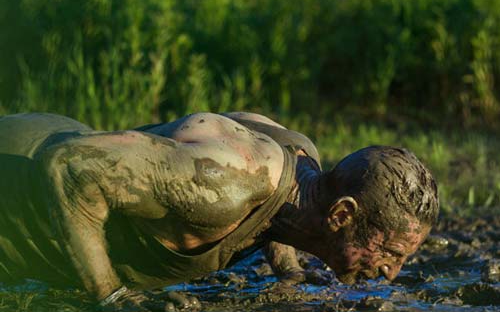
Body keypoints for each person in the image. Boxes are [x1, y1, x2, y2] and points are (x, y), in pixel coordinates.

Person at [0, 112, 438, 311]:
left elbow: (274, 211)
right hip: (13, 181)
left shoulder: (302, 160)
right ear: (341, 215)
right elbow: (70, 167)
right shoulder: (228, 184)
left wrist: (288, 267)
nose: (390, 274)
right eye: (391, 253)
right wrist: (111, 297)